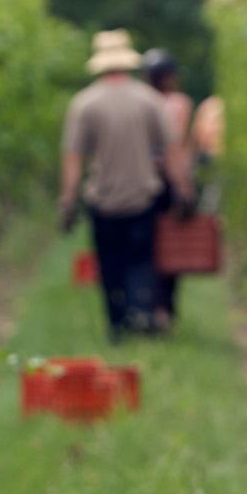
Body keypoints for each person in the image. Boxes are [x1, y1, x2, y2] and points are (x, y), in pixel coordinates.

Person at [57, 29, 187, 339]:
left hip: (103, 199)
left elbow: (74, 157)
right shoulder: (150, 100)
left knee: (110, 263)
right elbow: (172, 150)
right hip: (144, 194)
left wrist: (67, 200)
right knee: (141, 259)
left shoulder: (84, 104)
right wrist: (183, 188)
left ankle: (117, 323)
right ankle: (141, 311)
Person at [142, 48, 197, 328]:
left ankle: (151, 304)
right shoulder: (180, 104)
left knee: (147, 243)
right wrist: (186, 186)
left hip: (145, 180)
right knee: (172, 242)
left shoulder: (140, 102)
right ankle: (166, 305)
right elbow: (181, 147)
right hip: (172, 178)